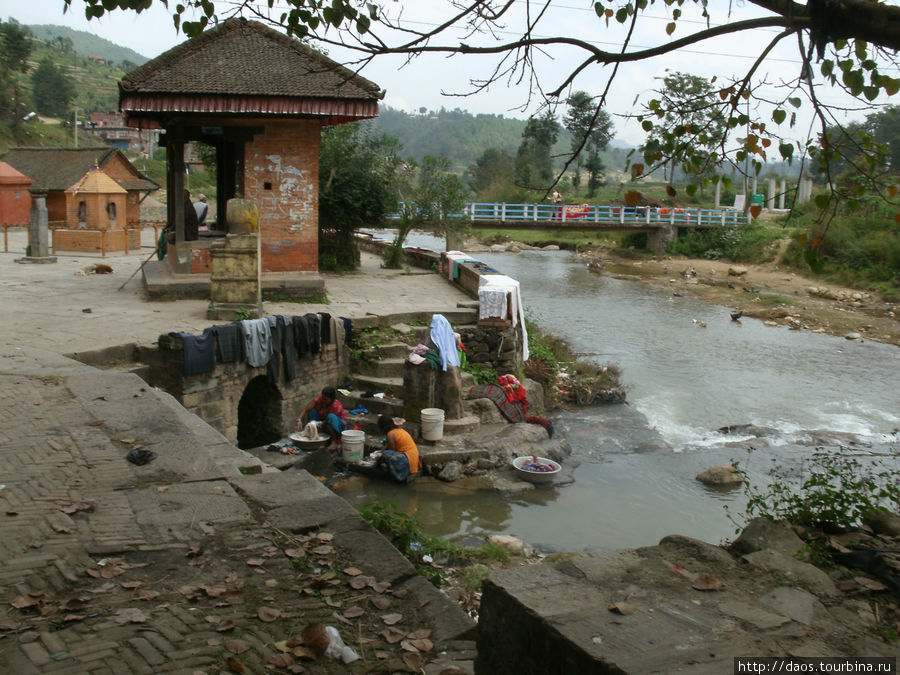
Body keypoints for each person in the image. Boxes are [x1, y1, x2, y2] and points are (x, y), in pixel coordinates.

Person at [296, 386, 347, 451]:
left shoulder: (336, 406)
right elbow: (306, 409)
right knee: (312, 411)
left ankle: (334, 441)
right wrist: (299, 419)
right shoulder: (320, 399)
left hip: (337, 427)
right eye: (323, 398)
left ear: (332, 399)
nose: (323, 400)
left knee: (331, 417)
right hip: (324, 425)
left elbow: (329, 420)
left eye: (326, 399)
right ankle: (315, 433)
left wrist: (317, 423)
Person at [374, 415, 422, 483]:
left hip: (407, 460)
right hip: (413, 458)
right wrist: (380, 451)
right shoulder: (399, 430)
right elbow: (387, 445)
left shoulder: (390, 434)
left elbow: (392, 451)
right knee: (383, 453)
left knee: (385, 454)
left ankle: (399, 475)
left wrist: (379, 458)